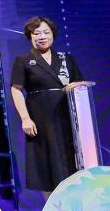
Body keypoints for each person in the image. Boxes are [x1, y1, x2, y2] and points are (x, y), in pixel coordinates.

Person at [9, 16, 84, 199]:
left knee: (69, 159)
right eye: (36, 33)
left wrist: (76, 86)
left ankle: (74, 205)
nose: (42, 36)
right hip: (40, 118)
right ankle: (53, 209)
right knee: (45, 162)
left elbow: (80, 83)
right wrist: (25, 118)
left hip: (66, 116)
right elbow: (16, 89)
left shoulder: (66, 59)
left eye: (46, 32)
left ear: (53, 34)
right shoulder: (23, 60)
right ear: (30, 36)